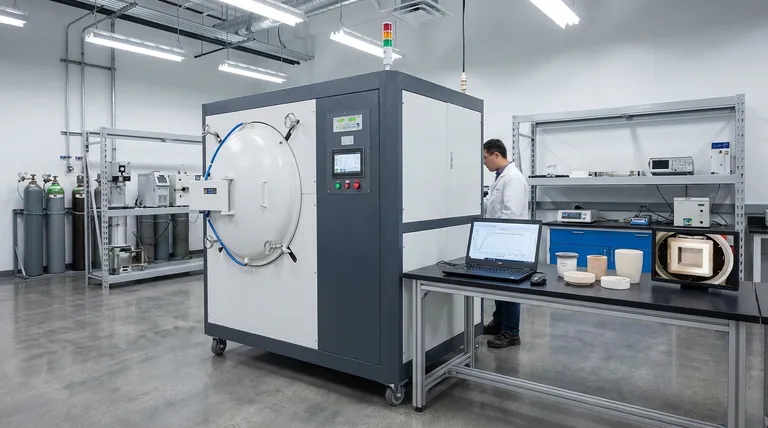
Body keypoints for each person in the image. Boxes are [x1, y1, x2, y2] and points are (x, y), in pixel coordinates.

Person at [481, 138, 529, 348]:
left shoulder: (514, 178)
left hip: (509, 242)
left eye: (485, 157)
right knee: (498, 285)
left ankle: (511, 333)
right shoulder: (499, 178)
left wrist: (496, 237)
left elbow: (512, 215)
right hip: (498, 241)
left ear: (496, 155)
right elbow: (492, 205)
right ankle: (499, 322)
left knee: (508, 287)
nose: (484, 162)